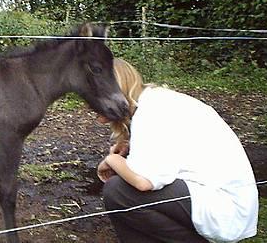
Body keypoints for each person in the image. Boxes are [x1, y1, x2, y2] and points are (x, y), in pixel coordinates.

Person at [97, 58, 258, 243]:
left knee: (118, 192)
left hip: (225, 207)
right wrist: (130, 145)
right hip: (220, 197)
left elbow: (144, 182)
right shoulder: (154, 100)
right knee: (123, 191)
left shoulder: (152, 112)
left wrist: (112, 161)